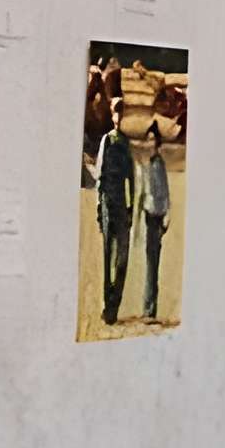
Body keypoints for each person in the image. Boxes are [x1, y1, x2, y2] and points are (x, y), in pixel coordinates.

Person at [92, 115, 140, 328]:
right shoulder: (106, 141)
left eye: (122, 113)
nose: (119, 118)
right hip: (107, 205)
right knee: (107, 257)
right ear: (111, 116)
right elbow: (99, 175)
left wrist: (130, 208)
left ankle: (114, 305)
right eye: (115, 112)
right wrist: (98, 205)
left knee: (121, 259)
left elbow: (132, 179)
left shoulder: (125, 144)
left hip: (122, 206)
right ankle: (107, 308)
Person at [138, 131, 172, 323]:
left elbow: (165, 193)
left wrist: (166, 217)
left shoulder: (158, 165)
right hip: (148, 215)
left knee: (153, 262)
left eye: (152, 141)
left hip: (156, 217)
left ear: (157, 145)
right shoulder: (149, 164)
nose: (149, 144)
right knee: (150, 260)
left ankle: (150, 309)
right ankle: (148, 307)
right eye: (147, 140)